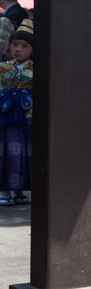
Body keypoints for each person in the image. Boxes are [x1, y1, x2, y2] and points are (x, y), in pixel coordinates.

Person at [0, 19, 33, 206]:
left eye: (24, 46)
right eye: (15, 45)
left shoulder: (36, 70)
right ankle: (4, 190)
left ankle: (19, 190)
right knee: (5, 154)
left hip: (26, 117)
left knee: (23, 154)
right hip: (4, 117)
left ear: (32, 49)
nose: (18, 49)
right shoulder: (2, 68)